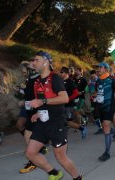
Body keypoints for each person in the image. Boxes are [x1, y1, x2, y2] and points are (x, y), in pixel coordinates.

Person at [26, 51, 82, 180]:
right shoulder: (37, 81)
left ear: (46, 62)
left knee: (60, 157)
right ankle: (54, 173)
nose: (34, 63)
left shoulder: (54, 78)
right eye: (33, 60)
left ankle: (77, 178)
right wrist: (38, 112)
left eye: (36, 60)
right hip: (43, 122)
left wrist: (42, 101)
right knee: (30, 153)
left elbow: (64, 98)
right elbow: (42, 102)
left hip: (56, 123)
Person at [94, 62, 115, 162]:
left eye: (100, 67)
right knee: (105, 128)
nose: (98, 69)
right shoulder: (98, 81)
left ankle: (107, 152)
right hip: (100, 107)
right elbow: (97, 92)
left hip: (109, 107)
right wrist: (94, 96)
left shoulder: (111, 79)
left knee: (106, 127)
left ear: (106, 69)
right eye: (98, 67)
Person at [60, 66, 87, 139]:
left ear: (66, 73)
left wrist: (68, 99)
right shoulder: (61, 81)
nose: (60, 74)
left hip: (69, 105)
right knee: (62, 120)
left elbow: (75, 93)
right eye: (60, 72)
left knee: (68, 122)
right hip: (62, 104)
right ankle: (62, 135)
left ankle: (82, 128)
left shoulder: (70, 82)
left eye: (62, 72)